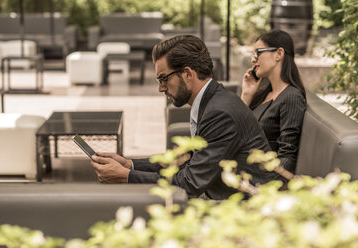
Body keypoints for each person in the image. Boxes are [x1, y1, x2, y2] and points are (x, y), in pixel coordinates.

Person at [90, 35, 278, 200]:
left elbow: (189, 184)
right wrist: (129, 164)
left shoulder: (219, 113)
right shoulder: (212, 101)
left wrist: (125, 177)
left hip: (244, 208)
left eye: (164, 79)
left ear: (187, 74)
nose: (160, 88)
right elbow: (188, 161)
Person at [241, 30, 306, 174]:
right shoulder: (265, 94)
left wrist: (263, 190)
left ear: (279, 54)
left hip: (256, 180)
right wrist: (246, 94)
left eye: (258, 53)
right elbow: (234, 131)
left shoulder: (291, 97)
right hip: (240, 171)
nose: (253, 60)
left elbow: (287, 157)